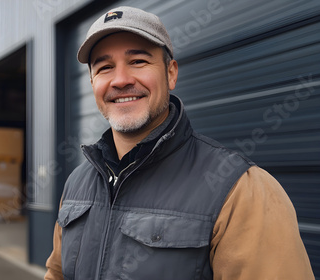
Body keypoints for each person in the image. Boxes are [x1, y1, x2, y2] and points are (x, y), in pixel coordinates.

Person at [45, 5, 314, 280]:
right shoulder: (76, 184)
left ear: (171, 73)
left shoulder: (240, 189)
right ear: (92, 83)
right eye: (104, 67)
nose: (121, 80)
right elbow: (57, 273)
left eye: (138, 61)